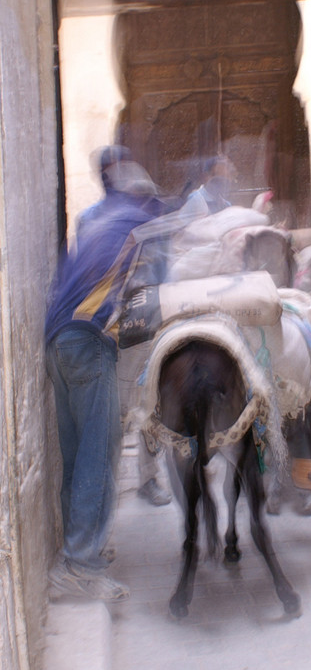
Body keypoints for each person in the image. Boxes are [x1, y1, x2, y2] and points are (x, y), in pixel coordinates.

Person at [45, 158, 166, 602]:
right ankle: (80, 568)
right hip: (90, 342)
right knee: (100, 454)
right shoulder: (136, 223)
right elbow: (143, 300)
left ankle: (78, 552)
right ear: (142, 198)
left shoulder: (98, 219)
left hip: (58, 343)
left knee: (77, 456)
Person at [177, 153, 236, 218]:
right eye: (218, 177)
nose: (223, 182)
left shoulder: (226, 205)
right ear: (206, 177)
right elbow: (184, 225)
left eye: (226, 178)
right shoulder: (195, 200)